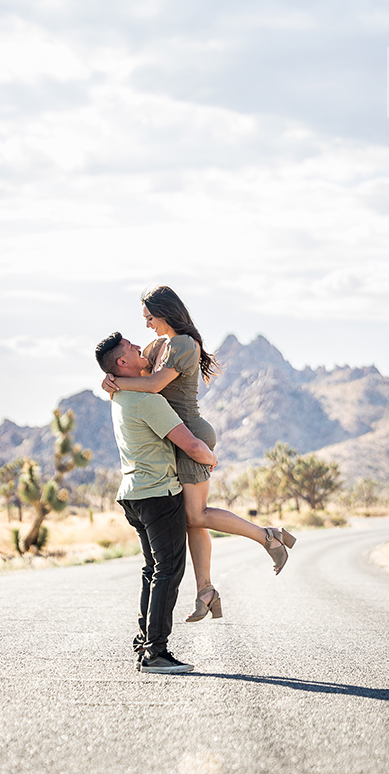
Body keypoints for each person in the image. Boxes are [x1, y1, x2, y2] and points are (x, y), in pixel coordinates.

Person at [101, 285, 296, 623]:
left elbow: (151, 386)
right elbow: (141, 376)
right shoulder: (158, 345)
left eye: (150, 317)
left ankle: (268, 537)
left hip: (190, 434)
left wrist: (113, 382)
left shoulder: (183, 345)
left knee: (196, 515)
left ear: (166, 312)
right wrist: (115, 379)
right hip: (175, 436)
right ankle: (205, 590)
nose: (146, 324)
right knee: (192, 519)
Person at [95, 331, 217, 675]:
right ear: (122, 363)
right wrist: (210, 457)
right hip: (158, 495)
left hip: (132, 495)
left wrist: (115, 377)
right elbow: (191, 445)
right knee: (168, 570)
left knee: (153, 570)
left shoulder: (119, 396)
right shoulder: (148, 400)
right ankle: (156, 653)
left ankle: (144, 643)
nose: (138, 346)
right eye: (132, 348)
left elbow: (150, 356)